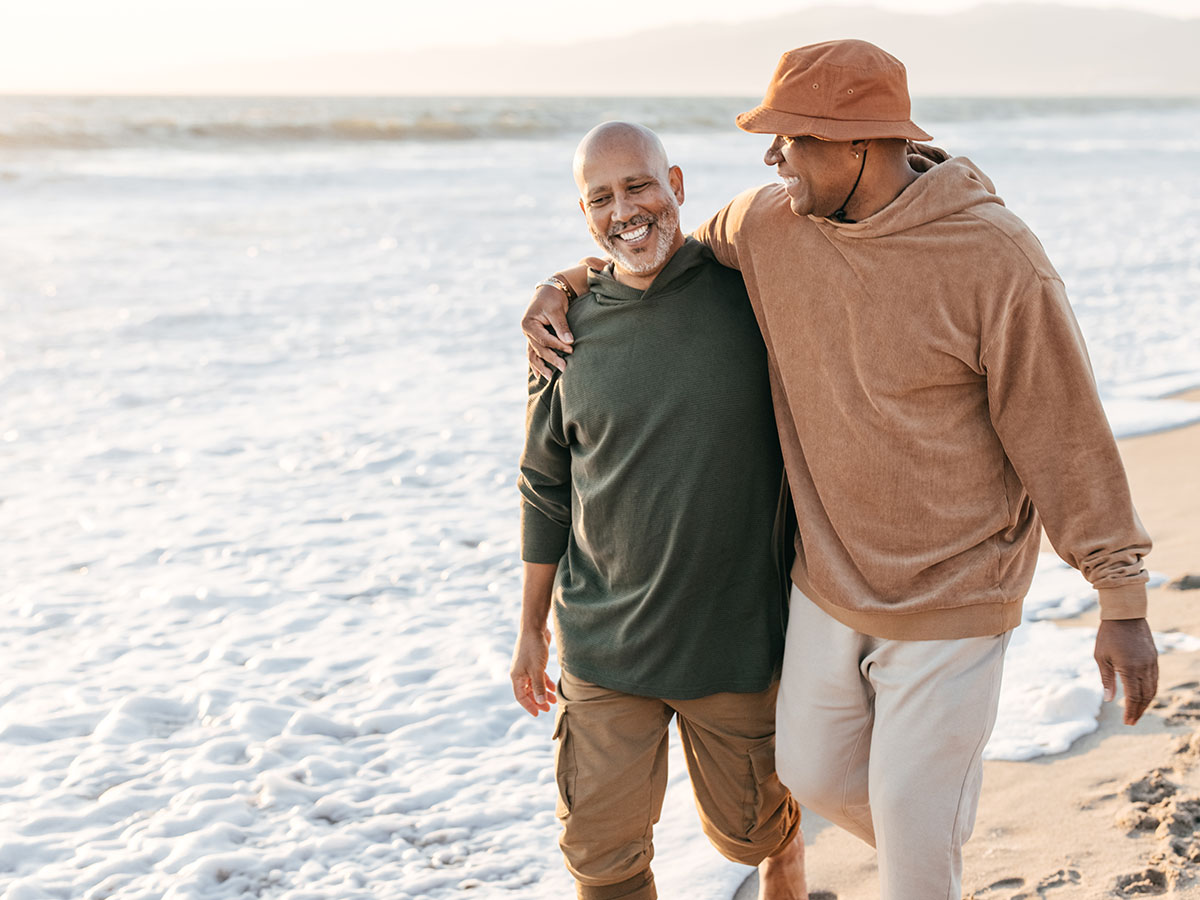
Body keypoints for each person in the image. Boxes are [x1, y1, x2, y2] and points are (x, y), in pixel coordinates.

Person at [522, 40, 1158, 900]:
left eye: (789, 139)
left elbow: (1065, 434)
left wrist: (1119, 598)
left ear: (856, 144)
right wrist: (564, 281)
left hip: (955, 593)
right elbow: (652, 252)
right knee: (813, 776)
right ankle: (922, 833)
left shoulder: (995, 256)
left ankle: (921, 848)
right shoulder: (770, 224)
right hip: (828, 582)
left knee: (912, 851)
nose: (769, 157)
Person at [511, 121, 806, 900]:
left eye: (638, 185)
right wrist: (529, 631)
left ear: (676, 184)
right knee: (601, 862)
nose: (624, 211)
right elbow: (544, 485)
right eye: (600, 198)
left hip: (735, 642)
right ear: (585, 216)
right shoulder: (560, 333)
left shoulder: (750, 288)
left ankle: (786, 865)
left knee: (752, 833)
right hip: (604, 645)